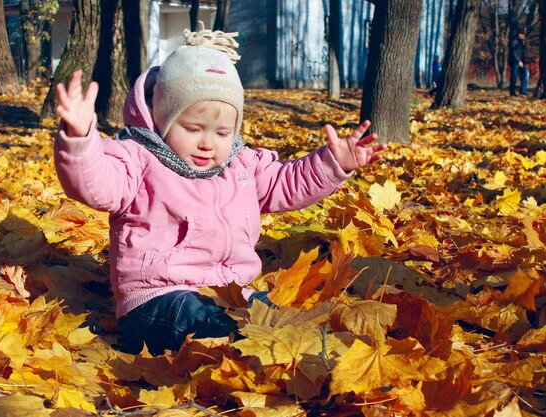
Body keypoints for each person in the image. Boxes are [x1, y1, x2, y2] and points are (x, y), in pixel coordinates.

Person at [53, 23, 386, 356]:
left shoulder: (242, 166)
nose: (207, 143)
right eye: (193, 128)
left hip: (232, 293)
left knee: (281, 317)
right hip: (159, 298)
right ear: (162, 119)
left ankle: (310, 352)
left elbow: (288, 184)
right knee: (206, 323)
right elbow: (95, 183)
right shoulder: (138, 161)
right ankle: (250, 350)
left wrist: (332, 164)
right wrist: (80, 140)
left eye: (222, 133)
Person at [509, 29, 529, 96]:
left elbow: (522, 53)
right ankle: (512, 92)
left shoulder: (521, 42)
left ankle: (523, 90)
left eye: (523, 34)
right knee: (514, 77)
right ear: (518, 34)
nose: (522, 35)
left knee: (526, 74)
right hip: (515, 62)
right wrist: (518, 61)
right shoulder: (515, 41)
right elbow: (513, 52)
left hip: (521, 62)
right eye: (520, 34)